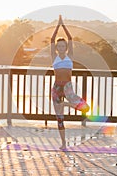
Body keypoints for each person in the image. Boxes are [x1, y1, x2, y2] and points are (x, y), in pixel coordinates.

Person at [50, 15, 90, 149]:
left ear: (66, 48)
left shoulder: (70, 56)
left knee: (85, 107)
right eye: (59, 46)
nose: (61, 48)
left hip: (67, 86)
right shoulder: (54, 57)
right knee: (59, 118)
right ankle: (63, 143)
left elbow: (71, 39)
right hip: (56, 88)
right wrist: (57, 26)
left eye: (63, 46)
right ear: (56, 48)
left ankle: (66, 104)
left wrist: (63, 25)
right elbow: (51, 39)